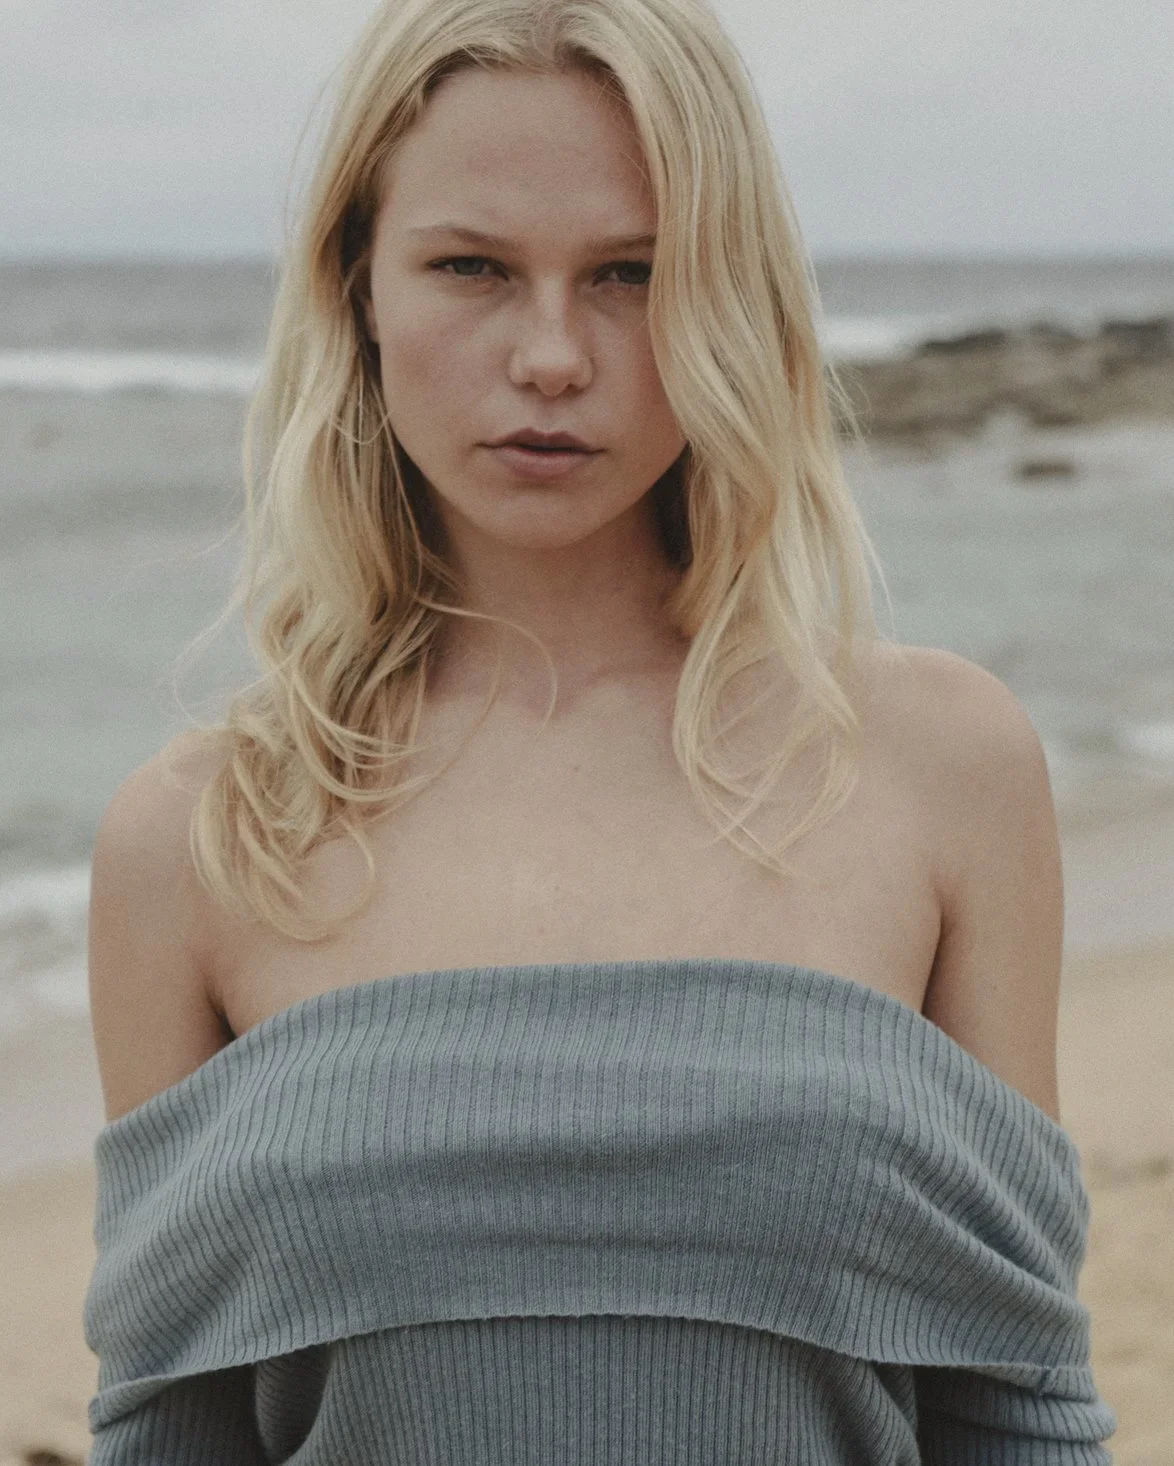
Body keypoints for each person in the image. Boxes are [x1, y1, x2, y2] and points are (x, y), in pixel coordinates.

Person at [81, 0, 1117, 1460]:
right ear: (357, 289)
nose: (553, 355)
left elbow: (1014, 1408)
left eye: (631, 272)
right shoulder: (203, 832)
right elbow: (171, 1431)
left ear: (728, 296)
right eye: (470, 268)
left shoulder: (935, 763)